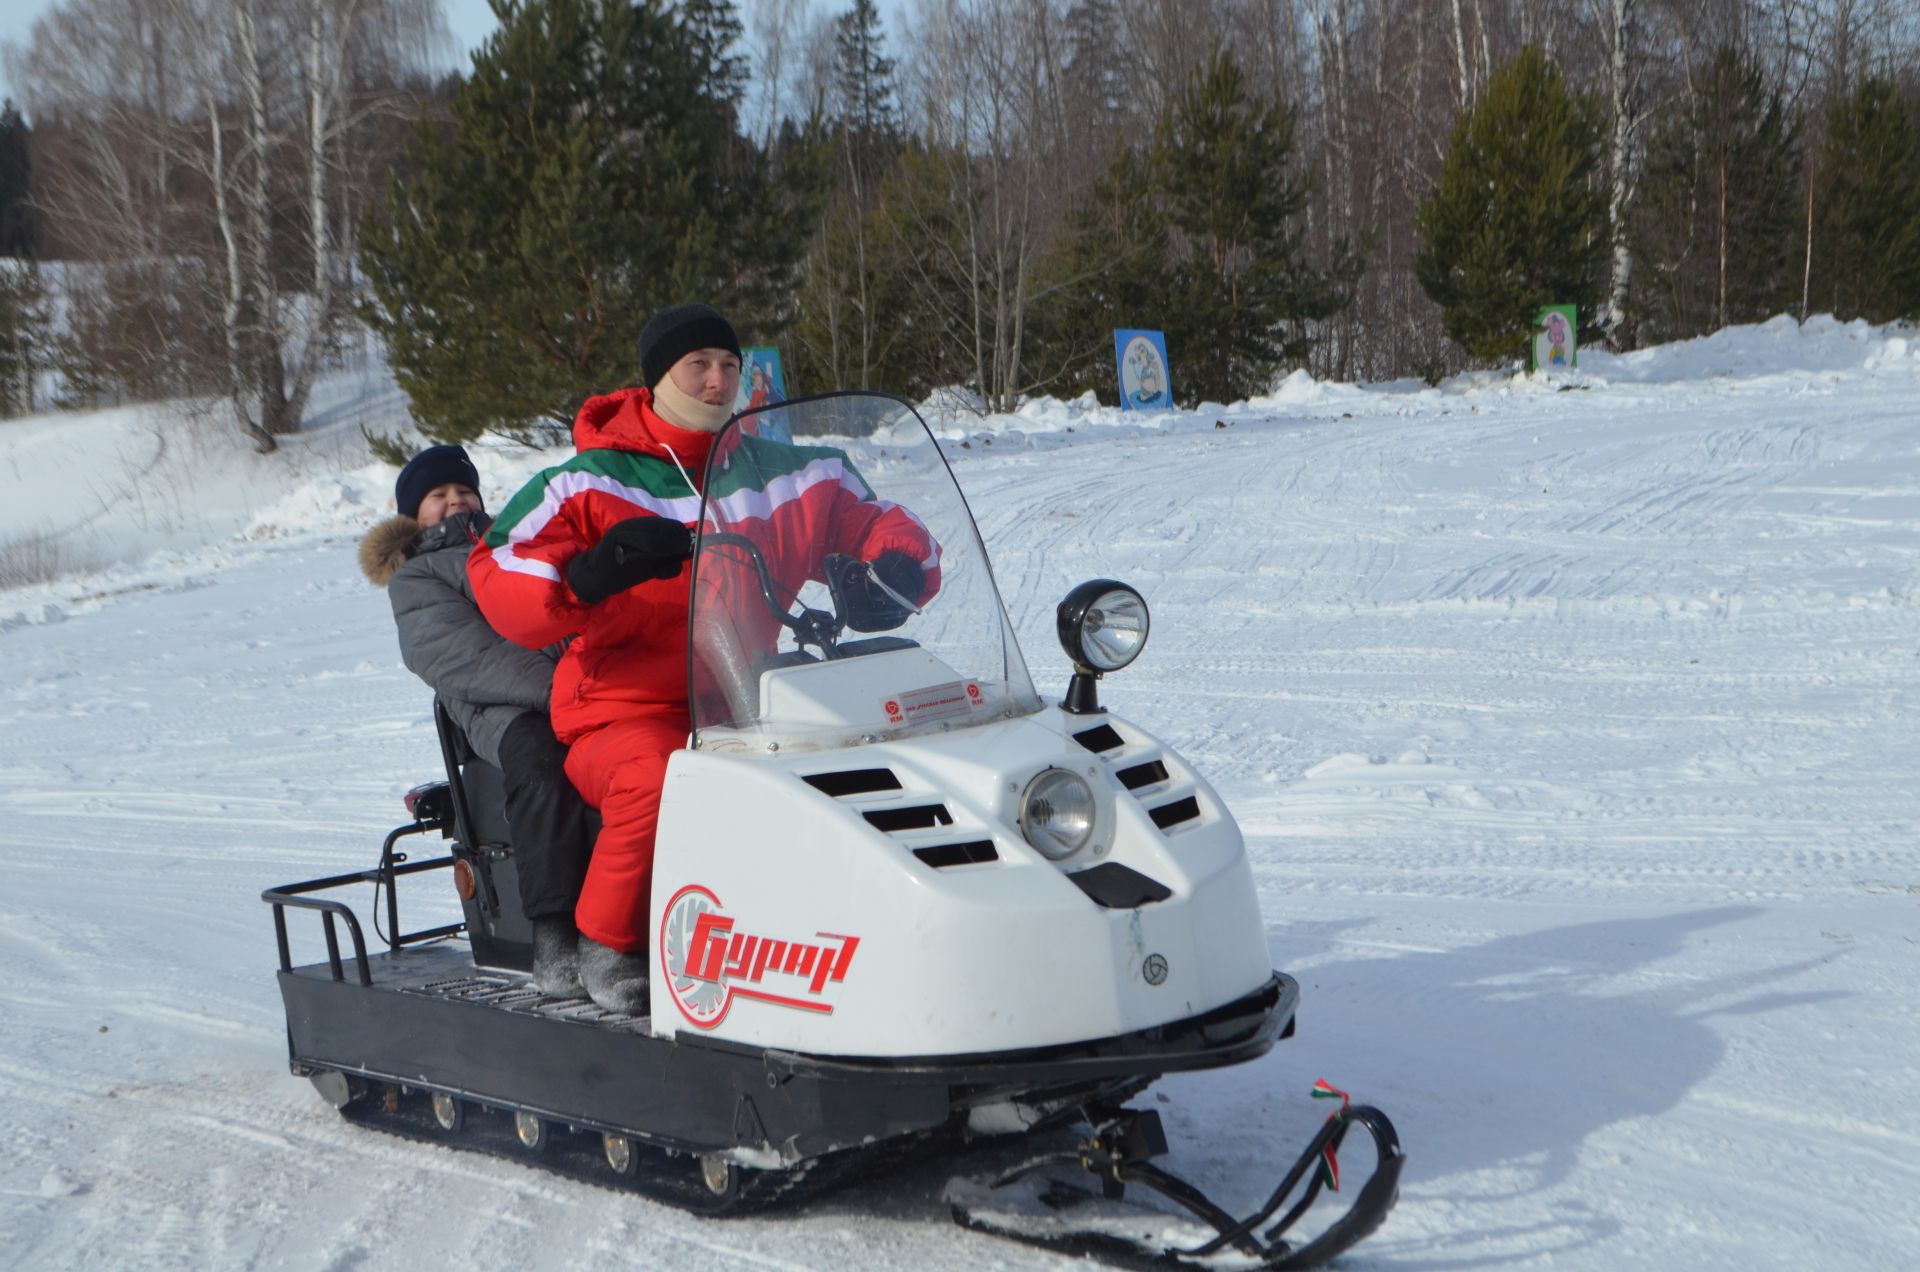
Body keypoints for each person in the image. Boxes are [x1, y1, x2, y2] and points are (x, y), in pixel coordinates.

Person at [469, 303, 937, 1014]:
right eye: (698, 365)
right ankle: (604, 943)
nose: (718, 380)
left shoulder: (787, 472)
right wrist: (587, 576)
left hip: (751, 695)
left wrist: (894, 568)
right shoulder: (588, 481)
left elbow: (871, 517)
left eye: (728, 364)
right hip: (621, 709)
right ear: (659, 377)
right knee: (663, 778)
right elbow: (499, 566)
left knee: (858, 761)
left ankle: (854, 934)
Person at [359, 445, 594, 998]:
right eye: (438, 497)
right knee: (544, 766)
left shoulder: (519, 548)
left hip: (579, 688)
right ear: (413, 516)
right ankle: (555, 935)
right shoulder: (415, 579)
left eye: (464, 492)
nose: (455, 503)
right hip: (501, 711)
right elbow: (466, 656)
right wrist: (568, 691)